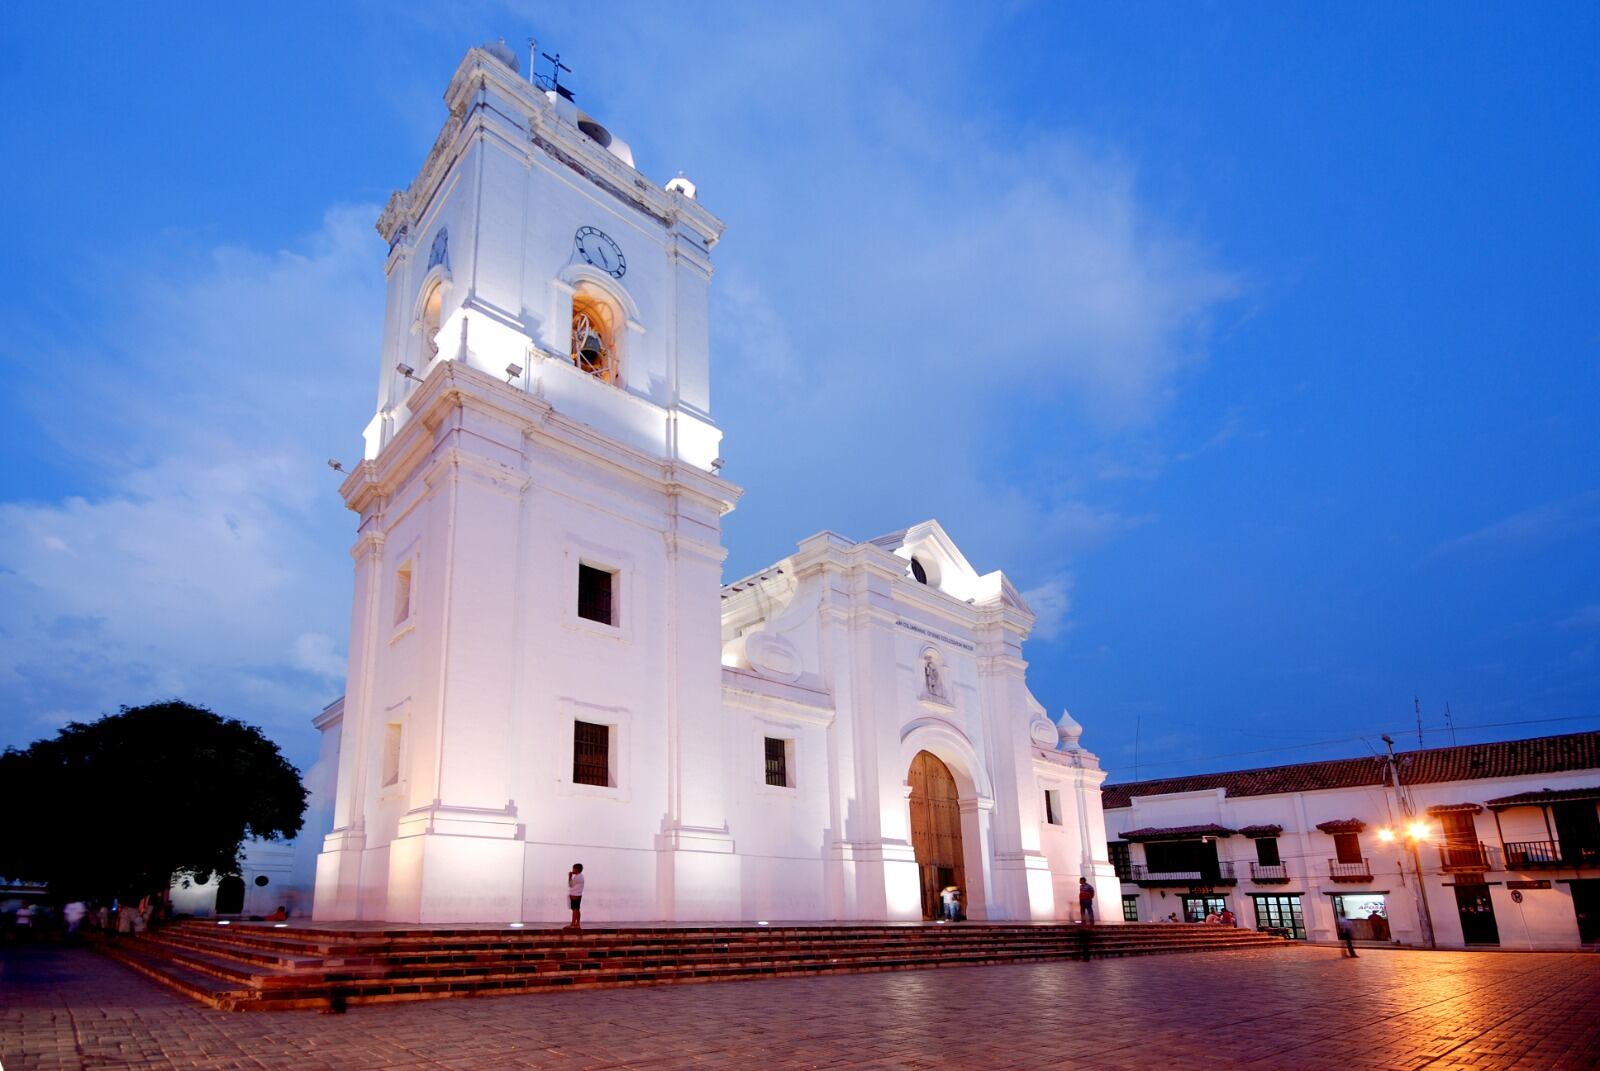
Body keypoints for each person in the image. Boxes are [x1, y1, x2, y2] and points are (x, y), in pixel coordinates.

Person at [567, 863, 585, 929]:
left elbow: (570, 885)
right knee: (577, 909)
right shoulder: (580, 876)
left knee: (575, 909)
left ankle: (573, 923)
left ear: (577, 869)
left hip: (575, 895)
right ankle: (577, 924)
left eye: (573, 868)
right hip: (578, 894)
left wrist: (569, 876)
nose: (572, 870)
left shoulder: (577, 877)